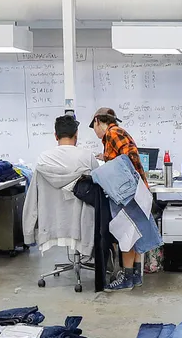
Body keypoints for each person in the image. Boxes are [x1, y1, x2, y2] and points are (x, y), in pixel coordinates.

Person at [22, 115, 97, 259]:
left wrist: (28, 234)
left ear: (56, 136)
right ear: (76, 135)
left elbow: (32, 199)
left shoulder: (43, 160)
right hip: (81, 226)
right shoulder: (87, 157)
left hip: (51, 225)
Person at [91, 107, 148, 290]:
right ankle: (136, 276)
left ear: (98, 121)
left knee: (125, 234)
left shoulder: (113, 133)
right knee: (135, 233)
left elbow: (129, 159)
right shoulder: (115, 134)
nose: (95, 132)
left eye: (94, 127)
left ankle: (127, 279)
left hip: (128, 193)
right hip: (134, 191)